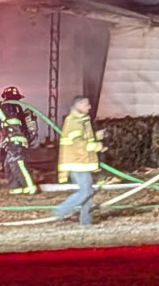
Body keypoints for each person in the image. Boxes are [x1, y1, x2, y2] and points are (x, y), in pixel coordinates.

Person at [53, 96, 104, 225]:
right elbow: (76, 142)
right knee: (86, 191)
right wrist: (95, 146)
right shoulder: (74, 121)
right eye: (87, 104)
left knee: (88, 192)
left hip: (82, 162)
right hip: (77, 163)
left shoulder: (82, 120)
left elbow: (83, 138)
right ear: (78, 105)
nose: (89, 107)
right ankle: (61, 210)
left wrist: (97, 137)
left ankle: (85, 221)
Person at [0, 86, 37, 195]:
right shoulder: (13, 113)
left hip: (15, 140)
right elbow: (1, 131)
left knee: (17, 162)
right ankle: (16, 187)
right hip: (12, 141)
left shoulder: (9, 109)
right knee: (8, 164)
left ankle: (29, 185)